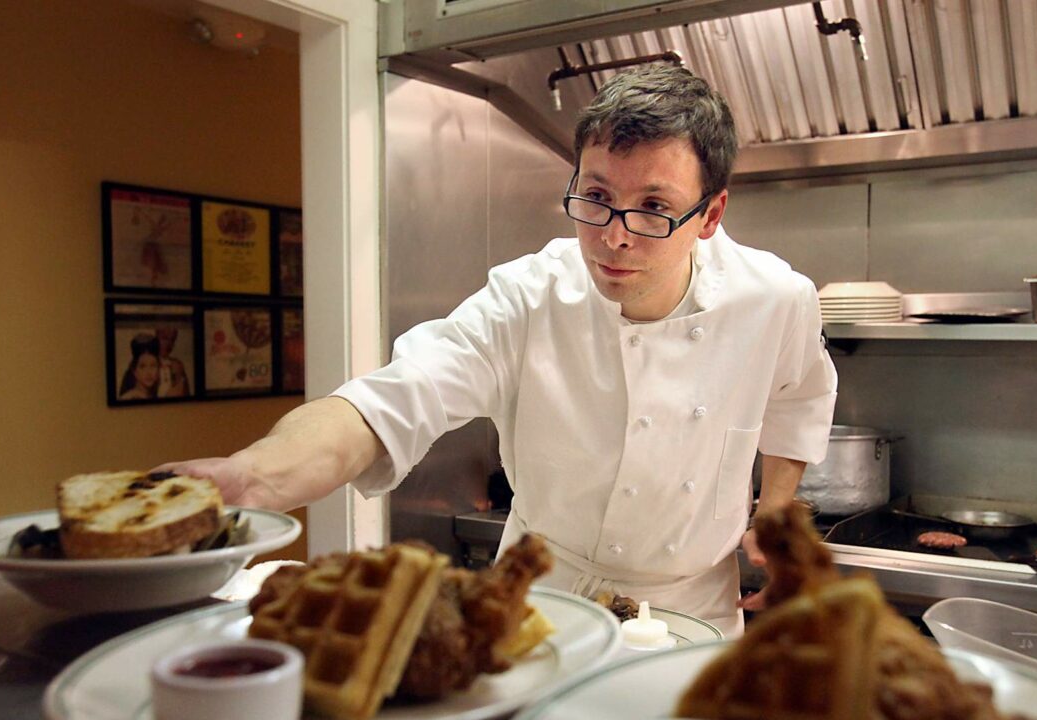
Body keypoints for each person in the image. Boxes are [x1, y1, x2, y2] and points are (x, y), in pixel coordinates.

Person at [165, 64, 836, 636]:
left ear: (711, 216)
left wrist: (775, 508)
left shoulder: (775, 299)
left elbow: (798, 398)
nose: (615, 237)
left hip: (693, 607)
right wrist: (252, 478)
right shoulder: (527, 297)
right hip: (542, 591)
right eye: (596, 197)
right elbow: (391, 401)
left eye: (654, 207)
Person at [119, 333, 162, 400]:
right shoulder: (129, 397)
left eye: (153, 366)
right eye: (143, 366)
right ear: (134, 371)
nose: (149, 372)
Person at [155, 325, 191, 398]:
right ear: (156, 338)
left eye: (172, 340)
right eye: (165, 338)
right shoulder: (145, 364)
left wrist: (179, 376)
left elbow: (187, 397)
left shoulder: (178, 365)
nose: (168, 344)